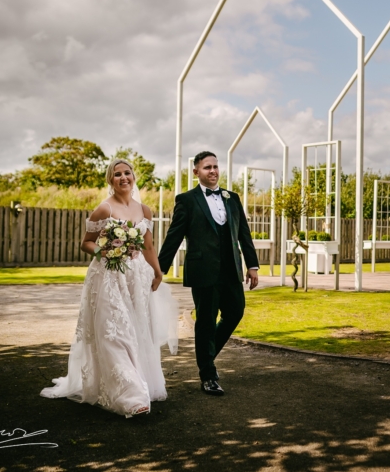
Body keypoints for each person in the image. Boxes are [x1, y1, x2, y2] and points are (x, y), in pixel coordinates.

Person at [41, 159, 179, 417]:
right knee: (114, 332)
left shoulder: (145, 211)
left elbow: (149, 246)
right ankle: (130, 396)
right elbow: (86, 243)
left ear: (134, 177)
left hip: (136, 278)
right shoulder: (103, 210)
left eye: (127, 173)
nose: (123, 177)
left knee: (137, 332)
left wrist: (158, 272)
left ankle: (140, 382)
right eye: (117, 174)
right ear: (110, 180)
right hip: (108, 276)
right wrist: (105, 252)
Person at [157, 151, 259, 396]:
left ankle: (207, 356)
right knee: (205, 321)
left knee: (235, 311)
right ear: (196, 172)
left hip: (231, 269)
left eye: (215, 166)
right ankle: (208, 375)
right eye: (207, 168)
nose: (212, 171)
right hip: (203, 270)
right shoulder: (187, 200)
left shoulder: (232, 198)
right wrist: (160, 269)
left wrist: (252, 265)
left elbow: (243, 233)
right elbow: (174, 236)